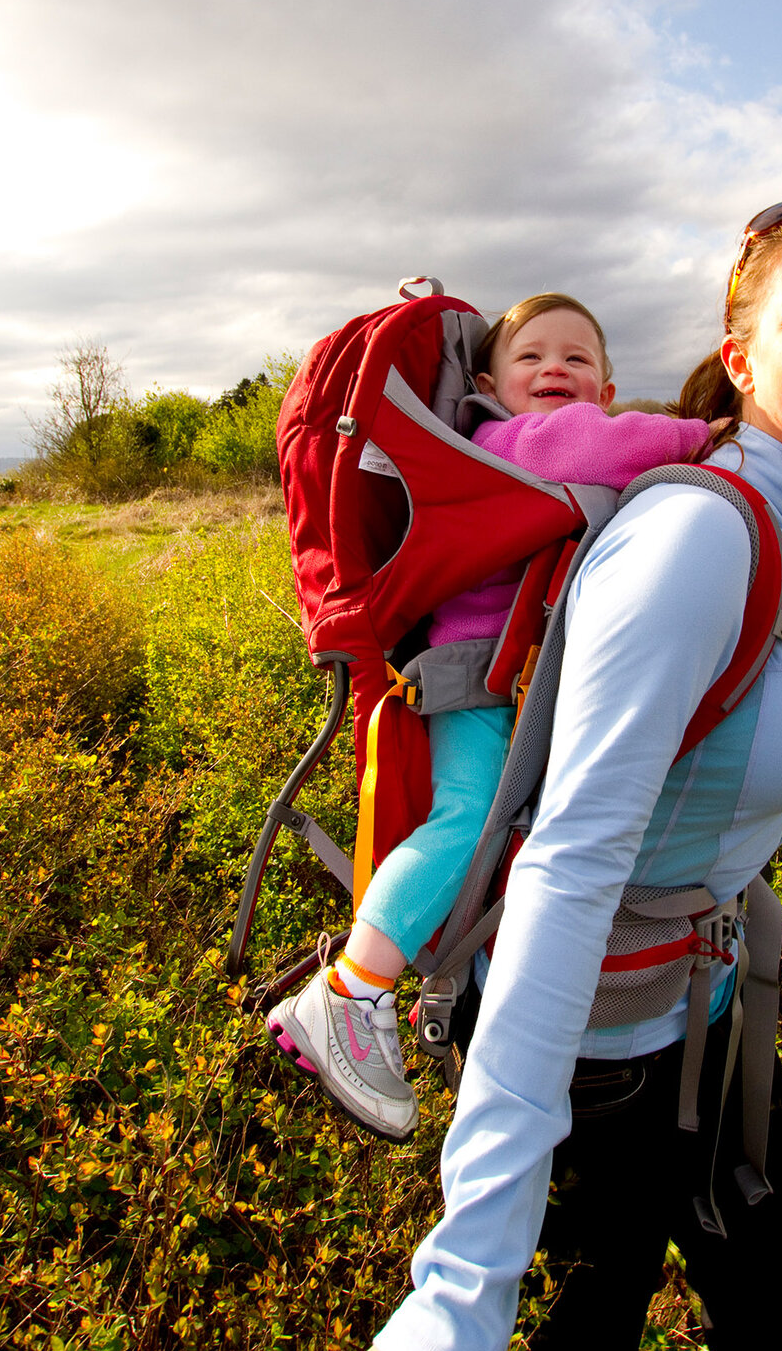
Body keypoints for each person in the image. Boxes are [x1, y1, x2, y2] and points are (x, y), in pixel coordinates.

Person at [287, 195, 782, 1351]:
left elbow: (743, 716)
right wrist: (461, 1288)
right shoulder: (701, 533)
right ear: (738, 357)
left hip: (713, 1019)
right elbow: (569, 870)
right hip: (601, 1060)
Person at [267, 291, 723, 1142]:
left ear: (609, 381)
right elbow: (596, 442)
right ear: (485, 382)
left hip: (507, 670)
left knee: (500, 828)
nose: (554, 369)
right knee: (466, 818)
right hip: (476, 673)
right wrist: (714, 438)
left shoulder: (533, 454)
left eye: (577, 359)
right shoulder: (507, 441)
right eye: (532, 357)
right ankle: (350, 992)